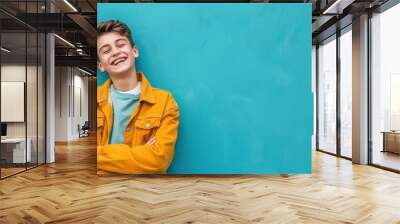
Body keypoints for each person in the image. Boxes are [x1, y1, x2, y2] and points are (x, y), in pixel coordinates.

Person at [96, 20, 180, 174]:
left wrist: (101, 156)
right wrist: (141, 154)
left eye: (120, 45)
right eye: (106, 50)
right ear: (101, 65)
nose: (115, 52)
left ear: (134, 51)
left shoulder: (165, 101)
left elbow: (159, 160)